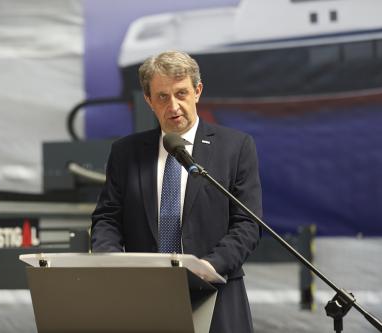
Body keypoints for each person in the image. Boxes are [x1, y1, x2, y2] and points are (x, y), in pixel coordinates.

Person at [91, 50, 262, 333]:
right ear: (148, 100)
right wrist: (112, 262)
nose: (173, 106)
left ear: (197, 91)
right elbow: (107, 218)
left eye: (181, 93)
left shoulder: (235, 147)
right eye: (162, 97)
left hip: (216, 296)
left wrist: (206, 267)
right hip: (144, 300)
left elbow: (247, 224)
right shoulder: (125, 153)